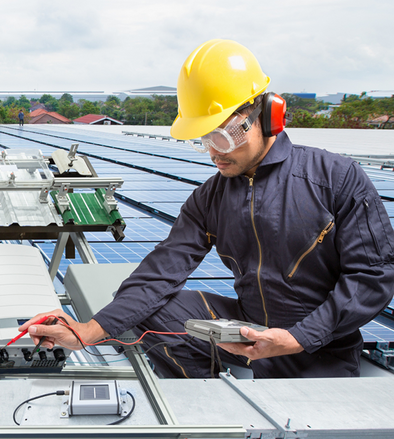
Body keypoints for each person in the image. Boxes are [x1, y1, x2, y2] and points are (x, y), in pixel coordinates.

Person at [20, 39, 394, 378]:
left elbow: (373, 277)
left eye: (222, 135)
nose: (214, 151)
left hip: (320, 346)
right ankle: (209, 399)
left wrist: (298, 338)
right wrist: (87, 332)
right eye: (204, 138)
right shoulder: (210, 197)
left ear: (266, 116)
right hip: (249, 331)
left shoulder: (335, 178)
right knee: (158, 311)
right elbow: (160, 273)